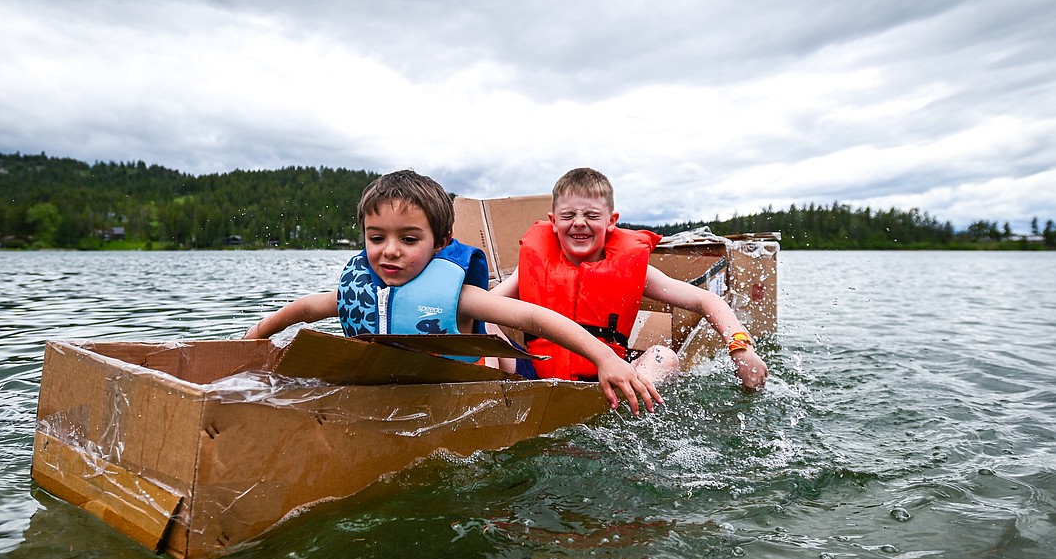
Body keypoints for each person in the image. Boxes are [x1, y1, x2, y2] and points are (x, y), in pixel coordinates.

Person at [243, 169, 663, 414]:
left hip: (484, 395)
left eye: (409, 240)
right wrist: (252, 340)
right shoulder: (360, 293)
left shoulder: (457, 297)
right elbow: (302, 309)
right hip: (399, 398)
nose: (389, 252)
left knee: (496, 341)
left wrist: (606, 358)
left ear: (441, 243)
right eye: (376, 238)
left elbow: (536, 318)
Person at [490, 167, 768, 391]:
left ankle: (619, 413)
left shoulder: (633, 269)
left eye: (591, 215)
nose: (578, 222)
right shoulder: (531, 266)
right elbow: (484, 307)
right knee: (486, 326)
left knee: (665, 357)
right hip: (536, 378)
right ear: (553, 221)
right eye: (568, 215)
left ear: (611, 221)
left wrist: (740, 347)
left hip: (608, 381)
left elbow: (706, 299)